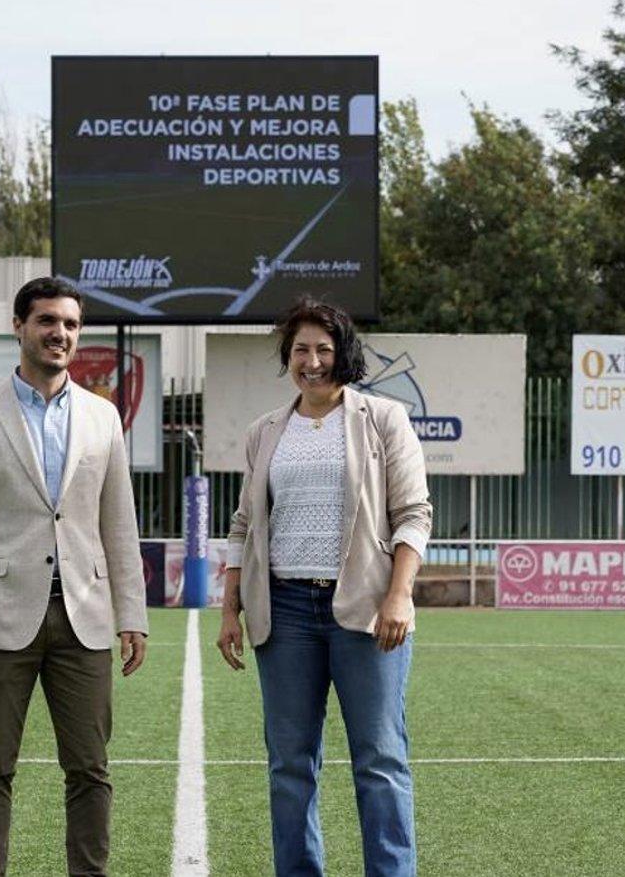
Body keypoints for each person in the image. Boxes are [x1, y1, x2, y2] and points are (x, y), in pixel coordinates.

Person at [0, 276, 149, 877]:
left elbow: (119, 526)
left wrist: (132, 614)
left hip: (85, 618)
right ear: (20, 328)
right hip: (0, 620)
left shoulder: (104, 418)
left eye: (71, 325)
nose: (60, 334)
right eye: (48, 321)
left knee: (89, 768)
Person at [216, 297, 432, 877]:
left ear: (344, 354)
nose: (312, 361)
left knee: (380, 760)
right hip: (283, 612)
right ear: (287, 356)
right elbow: (243, 525)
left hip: (364, 608)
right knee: (289, 764)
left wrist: (400, 593)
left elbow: (414, 513)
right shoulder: (264, 431)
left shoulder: (383, 419)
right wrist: (230, 608)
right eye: (300, 350)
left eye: (324, 349)